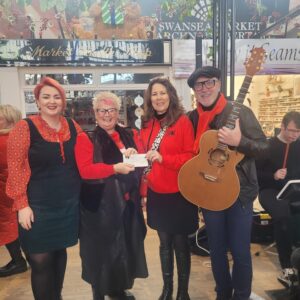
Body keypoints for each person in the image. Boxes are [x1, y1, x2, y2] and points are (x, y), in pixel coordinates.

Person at [187, 66, 268, 300]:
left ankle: (241, 295)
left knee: (241, 251)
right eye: (199, 85)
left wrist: (239, 141)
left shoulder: (240, 111)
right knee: (217, 251)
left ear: (219, 84)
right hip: (210, 190)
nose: (204, 89)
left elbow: (264, 149)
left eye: (209, 82)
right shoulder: (193, 118)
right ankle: (223, 293)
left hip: (239, 192)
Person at [6, 77, 82, 300]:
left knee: (59, 254)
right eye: (46, 97)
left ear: (63, 101)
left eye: (57, 97)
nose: (52, 101)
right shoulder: (24, 127)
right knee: (40, 262)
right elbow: (16, 167)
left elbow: (88, 157)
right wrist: (21, 205)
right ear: (37, 101)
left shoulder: (73, 126)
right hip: (37, 207)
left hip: (68, 205)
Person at [75, 91, 148, 300]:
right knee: (100, 252)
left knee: (123, 248)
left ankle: (118, 289)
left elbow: (142, 165)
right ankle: (99, 292)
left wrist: (135, 156)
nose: (107, 114)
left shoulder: (130, 135)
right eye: (102, 110)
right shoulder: (85, 138)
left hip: (126, 204)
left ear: (119, 112)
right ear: (95, 113)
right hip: (99, 207)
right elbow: (85, 171)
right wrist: (114, 168)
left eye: (112, 110)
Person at [140, 77, 198, 300]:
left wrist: (165, 159)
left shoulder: (182, 122)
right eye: (154, 94)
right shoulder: (146, 123)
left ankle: (183, 292)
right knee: (164, 244)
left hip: (180, 193)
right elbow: (143, 155)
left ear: (171, 95)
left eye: (162, 93)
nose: (158, 98)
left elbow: (190, 157)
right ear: (149, 98)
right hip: (157, 192)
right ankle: (167, 289)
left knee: (181, 243)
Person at [256, 111, 300, 288]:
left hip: (293, 190)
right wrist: (273, 175)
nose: (295, 135)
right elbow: (256, 175)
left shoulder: (298, 143)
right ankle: (287, 267)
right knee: (282, 215)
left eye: (299, 132)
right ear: (282, 127)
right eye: (292, 131)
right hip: (269, 190)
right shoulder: (267, 146)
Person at [0, 104, 27, 277]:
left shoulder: (4, 140)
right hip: (13, 187)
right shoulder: (17, 137)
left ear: (8, 120)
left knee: (7, 225)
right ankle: (19, 260)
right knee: (13, 225)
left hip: (5, 189)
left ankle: (18, 261)